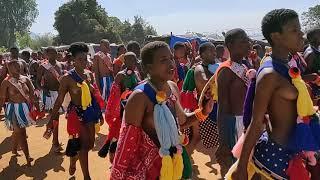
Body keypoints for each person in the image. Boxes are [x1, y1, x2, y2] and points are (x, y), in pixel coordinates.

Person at [228, 9, 317, 180]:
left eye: (300, 29)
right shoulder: (270, 73)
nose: (301, 34)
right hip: (276, 158)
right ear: (276, 36)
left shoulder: (286, 63)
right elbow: (256, 122)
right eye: (294, 30)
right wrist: (241, 167)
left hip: (294, 151)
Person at [110, 41, 214, 179]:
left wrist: (204, 112)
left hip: (174, 165)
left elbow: (182, 121)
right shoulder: (140, 97)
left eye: (171, 58)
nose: (171, 64)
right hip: (148, 172)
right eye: (164, 60)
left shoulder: (172, 87)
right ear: (148, 68)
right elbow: (125, 147)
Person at [45, 42, 103, 180]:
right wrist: (51, 119)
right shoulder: (67, 78)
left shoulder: (89, 75)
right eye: (80, 59)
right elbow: (59, 101)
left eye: (85, 59)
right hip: (77, 115)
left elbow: (94, 96)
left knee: (89, 144)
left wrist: (99, 114)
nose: (84, 62)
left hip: (90, 113)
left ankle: (74, 158)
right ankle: (87, 177)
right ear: (73, 60)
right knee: (84, 146)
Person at [214, 28, 251, 177]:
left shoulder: (243, 67)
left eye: (247, 40)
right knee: (232, 166)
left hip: (246, 123)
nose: (247, 44)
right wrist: (223, 141)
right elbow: (222, 107)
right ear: (230, 45)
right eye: (243, 41)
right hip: (234, 125)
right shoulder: (226, 71)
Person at [98, 52, 141, 163]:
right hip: (122, 110)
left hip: (135, 109)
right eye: (131, 60)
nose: (134, 62)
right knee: (117, 135)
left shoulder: (135, 73)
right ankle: (113, 155)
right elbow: (113, 96)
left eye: (135, 60)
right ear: (125, 62)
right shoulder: (120, 75)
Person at [182, 42, 220, 155]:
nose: (214, 53)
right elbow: (205, 82)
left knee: (197, 139)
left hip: (211, 108)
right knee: (196, 138)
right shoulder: (200, 68)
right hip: (204, 109)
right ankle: (185, 162)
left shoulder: (213, 67)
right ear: (202, 55)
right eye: (210, 51)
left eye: (214, 50)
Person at [0, 60, 39, 166]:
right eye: (14, 66)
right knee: (22, 133)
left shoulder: (25, 79)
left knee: (18, 131)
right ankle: (28, 156)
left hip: (25, 108)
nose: (17, 68)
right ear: (8, 68)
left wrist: (37, 106)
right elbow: (2, 99)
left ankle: (13, 149)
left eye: (18, 65)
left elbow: (32, 94)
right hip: (13, 110)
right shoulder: (6, 82)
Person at [36, 46, 65, 153]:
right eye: (51, 53)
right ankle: (55, 141)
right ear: (47, 55)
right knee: (55, 116)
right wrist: (43, 89)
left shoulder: (60, 65)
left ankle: (52, 135)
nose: (54, 55)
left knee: (56, 117)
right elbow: (38, 82)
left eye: (55, 53)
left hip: (59, 94)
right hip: (49, 95)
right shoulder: (43, 67)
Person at [93, 39, 114, 105]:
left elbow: (111, 70)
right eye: (106, 45)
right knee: (104, 99)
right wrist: (98, 86)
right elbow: (96, 72)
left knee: (111, 98)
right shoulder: (97, 56)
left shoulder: (109, 56)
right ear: (101, 46)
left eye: (108, 44)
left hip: (110, 79)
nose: (108, 46)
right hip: (103, 80)